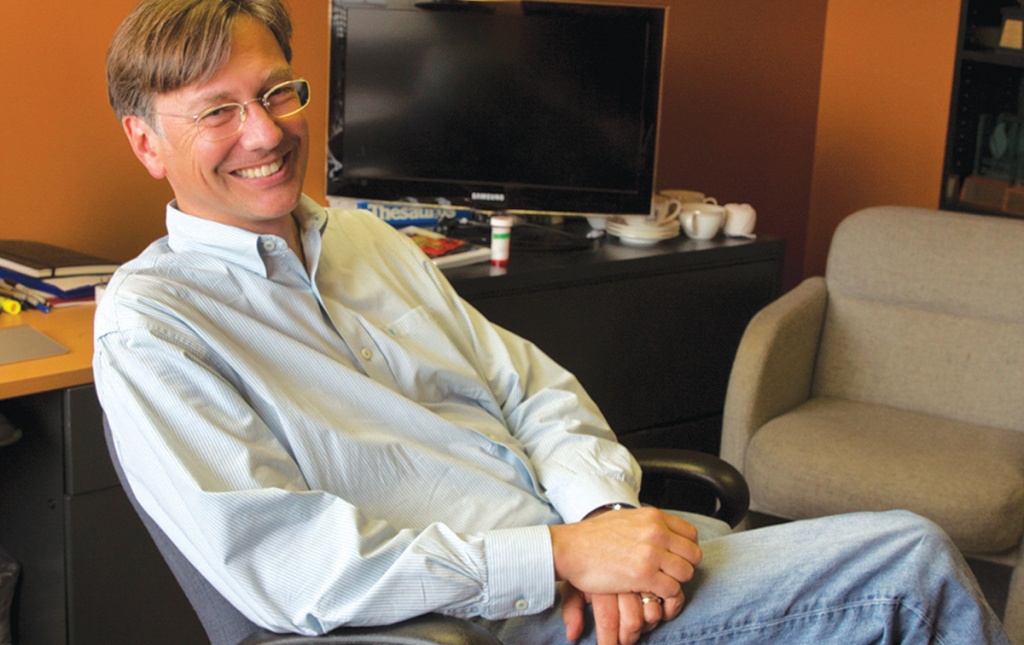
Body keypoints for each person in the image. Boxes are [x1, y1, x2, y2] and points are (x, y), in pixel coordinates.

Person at [96, 1, 1009, 643]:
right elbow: (297, 568)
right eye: (218, 111)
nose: (264, 132)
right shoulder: (154, 326)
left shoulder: (364, 238)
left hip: (601, 560)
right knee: (909, 565)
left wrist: (604, 512)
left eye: (277, 93)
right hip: (490, 621)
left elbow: (530, 390)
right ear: (147, 141)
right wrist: (559, 555)